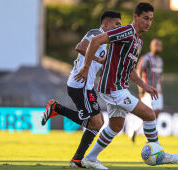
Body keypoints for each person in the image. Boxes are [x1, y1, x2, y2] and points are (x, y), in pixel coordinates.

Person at [74, 2, 178, 169]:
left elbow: (130, 69)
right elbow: (96, 40)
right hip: (113, 87)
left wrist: (144, 85)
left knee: (116, 126)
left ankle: (89, 159)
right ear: (135, 17)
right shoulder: (126, 31)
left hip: (117, 87)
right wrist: (86, 67)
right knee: (149, 114)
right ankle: (159, 153)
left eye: (151, 19)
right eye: (145, 18)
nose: (148, 22)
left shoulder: (138, 41)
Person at [41, 10, 121, 167]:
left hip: (86, 86)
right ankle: (77, 160)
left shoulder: (107, 41)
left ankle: (56, 108)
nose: (119, 27)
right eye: (116, 24)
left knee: (97, 122)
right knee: (96, 123)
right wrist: (97, 59)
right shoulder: (95, 33)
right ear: (106, 24)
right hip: (80, 84)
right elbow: (80, 46)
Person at [128, 38, 164, 143]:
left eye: (159, 45)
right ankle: (148, 136)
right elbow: (138, 71)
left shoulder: (160, 60)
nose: (157, 47)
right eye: (155, 44)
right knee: (150, 113)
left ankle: (135, 130)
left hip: (158, 91)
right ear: (151, 46)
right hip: (148, 90)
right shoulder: (147, 58)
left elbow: (159, 76)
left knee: (156, 113)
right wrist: (141, 89)